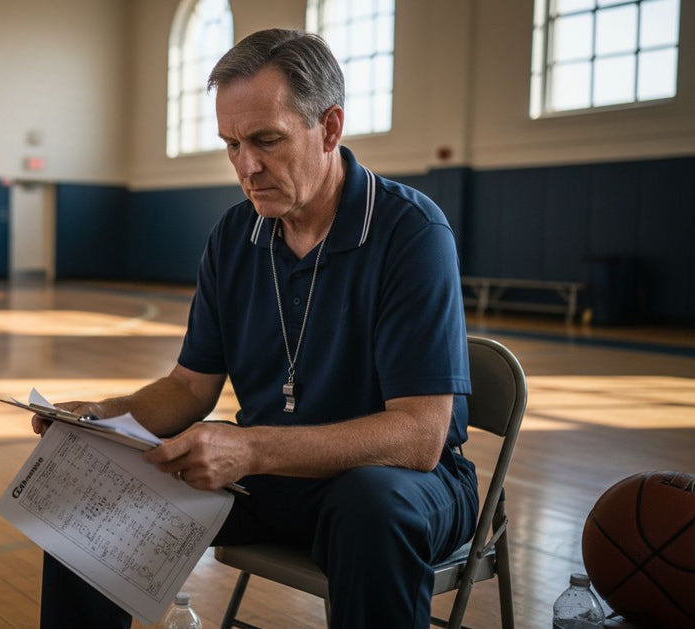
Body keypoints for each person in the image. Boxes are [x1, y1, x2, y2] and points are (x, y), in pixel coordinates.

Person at [34, 28, 478, 629]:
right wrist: (104, 418)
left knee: (372, 505)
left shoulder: (411, 233)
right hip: (271, 475)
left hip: (404, 484)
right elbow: (190, 388)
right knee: (93, 496)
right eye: (232, 144)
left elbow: (419, 436)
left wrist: (249, 447)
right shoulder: (234, 235)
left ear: (329, 127)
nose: (247, 166)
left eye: (266, 140)